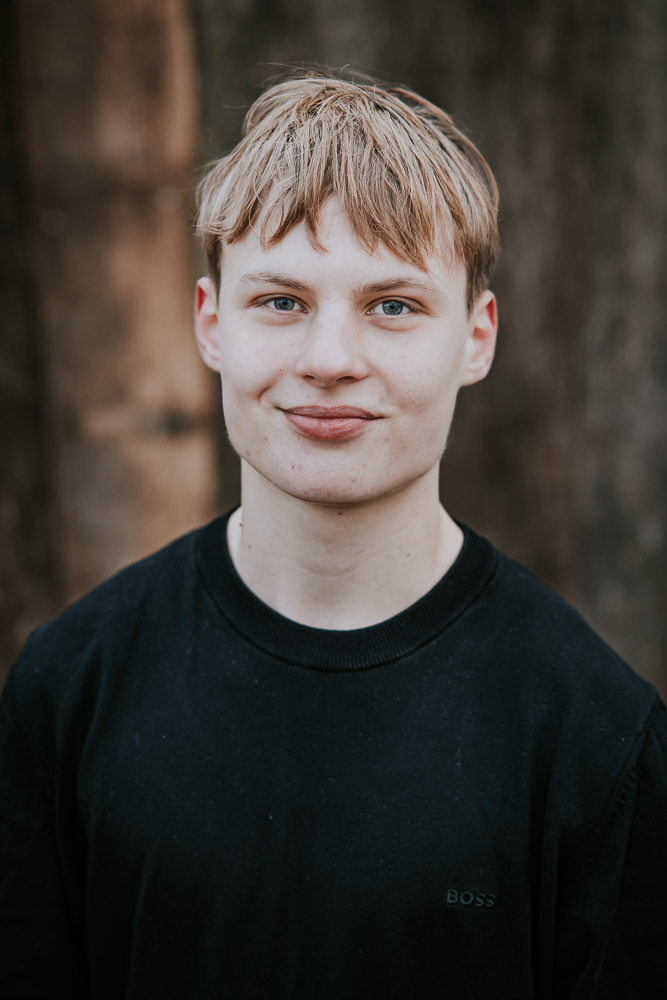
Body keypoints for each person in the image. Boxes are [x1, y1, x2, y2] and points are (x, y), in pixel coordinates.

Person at [1, 75, 665, 1000]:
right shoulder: (67, 690)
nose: (328, 360)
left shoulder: (593, 735)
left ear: (475, 338)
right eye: (280, 301)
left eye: (392, 305)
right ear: (210, 323)